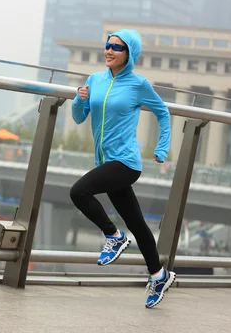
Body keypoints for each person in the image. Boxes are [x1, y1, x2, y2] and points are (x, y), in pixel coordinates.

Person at [69, 29, 174, 309]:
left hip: (126, 162)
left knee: (79, 192)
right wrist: (79, 99)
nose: (109, 50)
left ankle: (113, 237)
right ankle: (159, 274)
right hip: (105, 161)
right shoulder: (95, 80)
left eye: (117, 47)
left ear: (130, 54)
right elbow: (79, 117)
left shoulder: (138, 84)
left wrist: (162, 148)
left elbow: (163, 113)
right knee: (137, 223)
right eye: (107, 45)